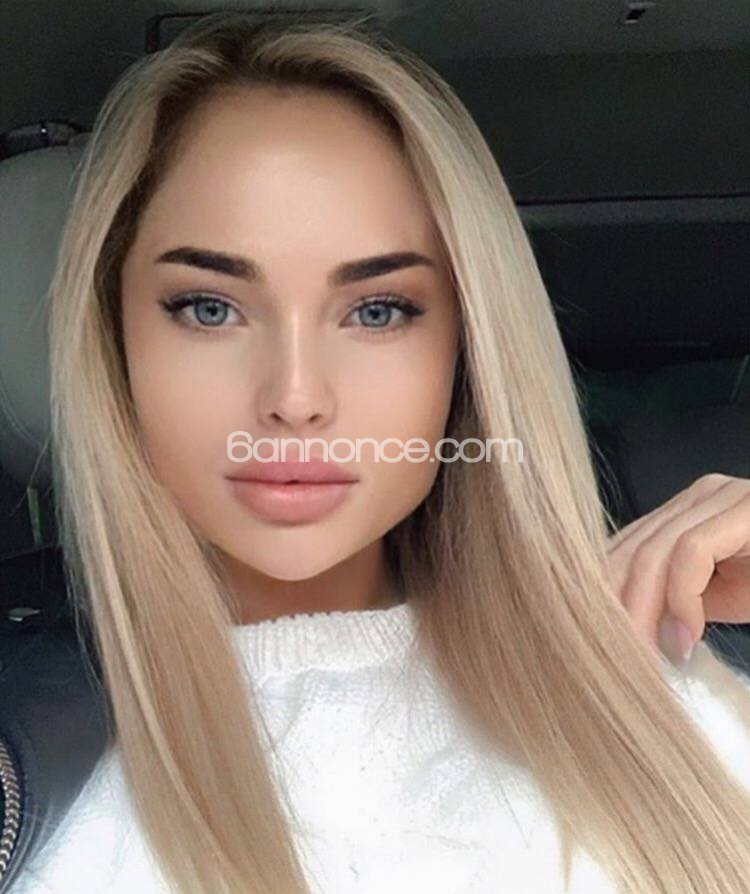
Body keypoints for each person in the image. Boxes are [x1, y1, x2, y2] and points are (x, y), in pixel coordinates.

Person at [13, 11, 750, 894]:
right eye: (209, 308)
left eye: (376, 310)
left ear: (466, 350)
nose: (294, 397)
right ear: (114, 341)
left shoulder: (670, 673)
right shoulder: (28, 773)